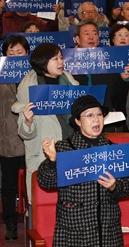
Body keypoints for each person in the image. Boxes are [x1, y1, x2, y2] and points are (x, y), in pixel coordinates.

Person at [37, 95, 129, 246]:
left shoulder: (112, 149)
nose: (96, 119)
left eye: (99, 114)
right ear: (77, 121)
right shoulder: (63, 149)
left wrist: (114, 186)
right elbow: (46, 182)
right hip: (74, 232)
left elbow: (127, 188)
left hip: (107, 233)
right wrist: (52, 161)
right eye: (89, 115)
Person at [12, 43, 79, 201]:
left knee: (73, 201)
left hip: (71, 148)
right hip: (45, 154)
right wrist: (28, 122)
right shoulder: (29, 87)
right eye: (55, 59)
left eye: (61, 57)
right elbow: (25, 134)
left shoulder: (68, 81)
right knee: (46, 205)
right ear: (43, 62)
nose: (61, 62)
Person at [0, 36, 29, 241]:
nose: (16, 57)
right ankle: (10, 221)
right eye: (11, 53)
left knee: (33, 182)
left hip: (33, 138)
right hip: (7, 138)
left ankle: (34, 217)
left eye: (20, 53)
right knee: (9, 184)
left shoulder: (36, 74)